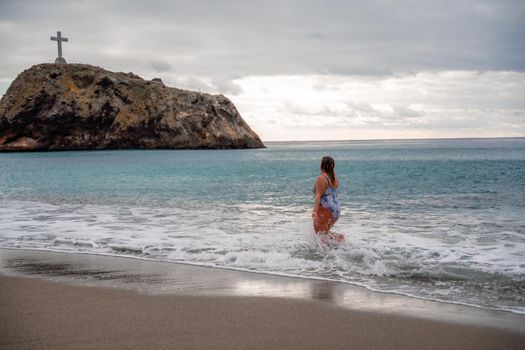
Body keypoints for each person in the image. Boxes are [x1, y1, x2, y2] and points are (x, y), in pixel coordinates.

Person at [312, 156, 343, 241]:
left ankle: (338, 242)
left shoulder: (321, 178)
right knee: (325, 232)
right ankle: (339, 241)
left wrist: (314, 211)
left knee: (319, 234)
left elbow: (318, 196)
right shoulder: (334, 178)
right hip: (336, 208)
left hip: (326, 208)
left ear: (321, 165)